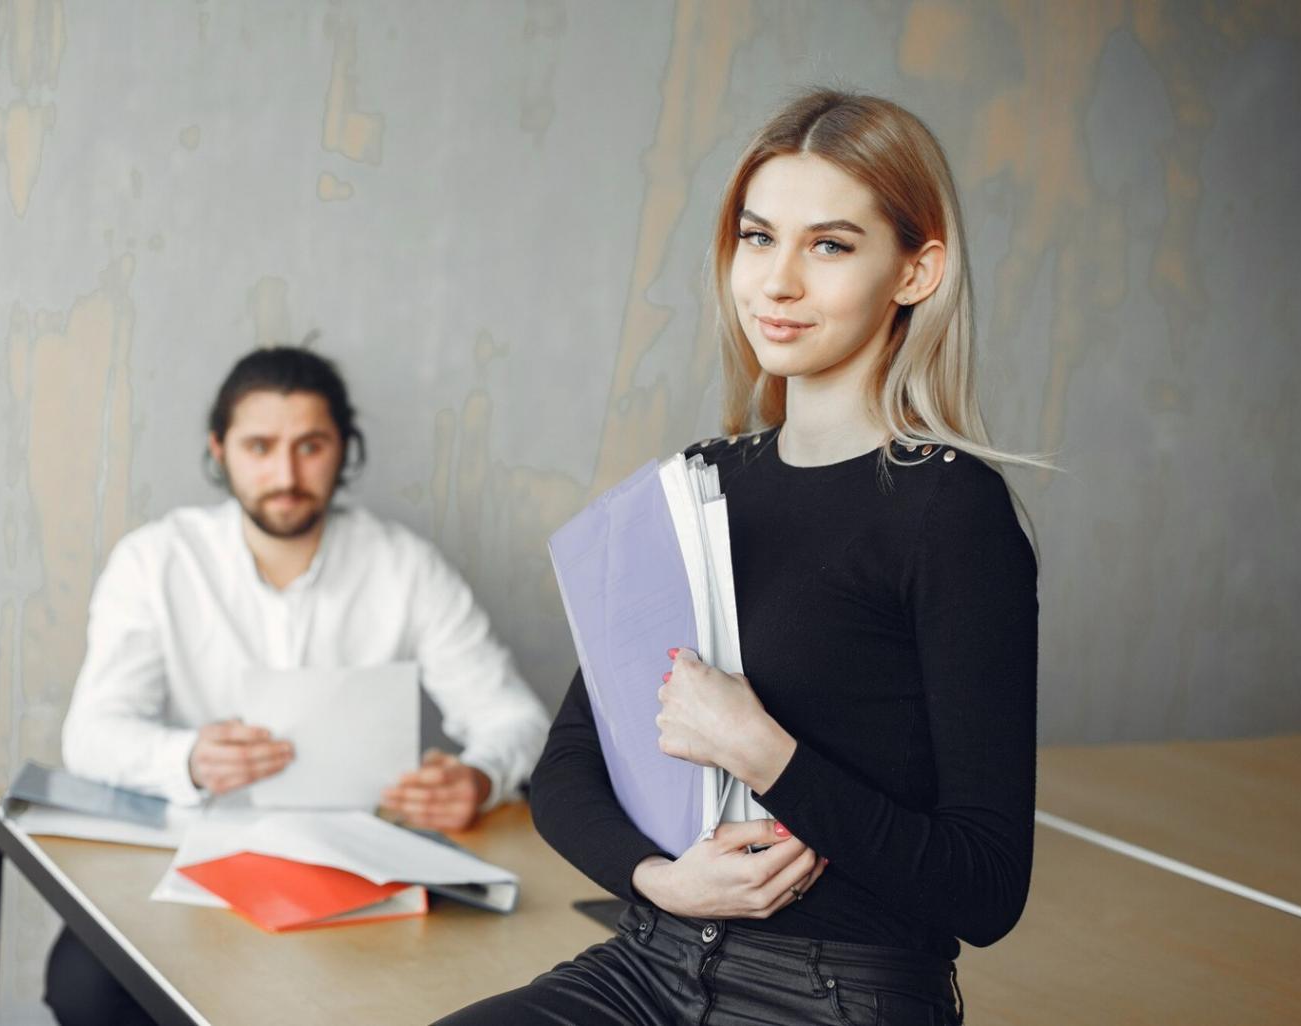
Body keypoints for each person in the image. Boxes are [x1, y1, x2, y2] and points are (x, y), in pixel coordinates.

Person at [437, 89, 1042, 1026]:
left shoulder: (950, 511)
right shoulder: (695, 487)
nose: (777, 282)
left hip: (839, 995)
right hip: (649, 960)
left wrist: (766, 754)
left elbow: (986, 889)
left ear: (915, 272)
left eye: (830, 246)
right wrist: (659, 881)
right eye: (758, 238)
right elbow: (563, 767)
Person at [44, 344, 551, 1026]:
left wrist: (479, 778)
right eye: (259, 446)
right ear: (219, 450)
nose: (285, 474)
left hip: (363, 864)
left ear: (344, 450)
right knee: (87, 986)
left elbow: (515, 720)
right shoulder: (155, 561)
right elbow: (91, 736)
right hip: (201, 854)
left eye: (310, 446)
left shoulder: (404, 567)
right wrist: (188, 758)